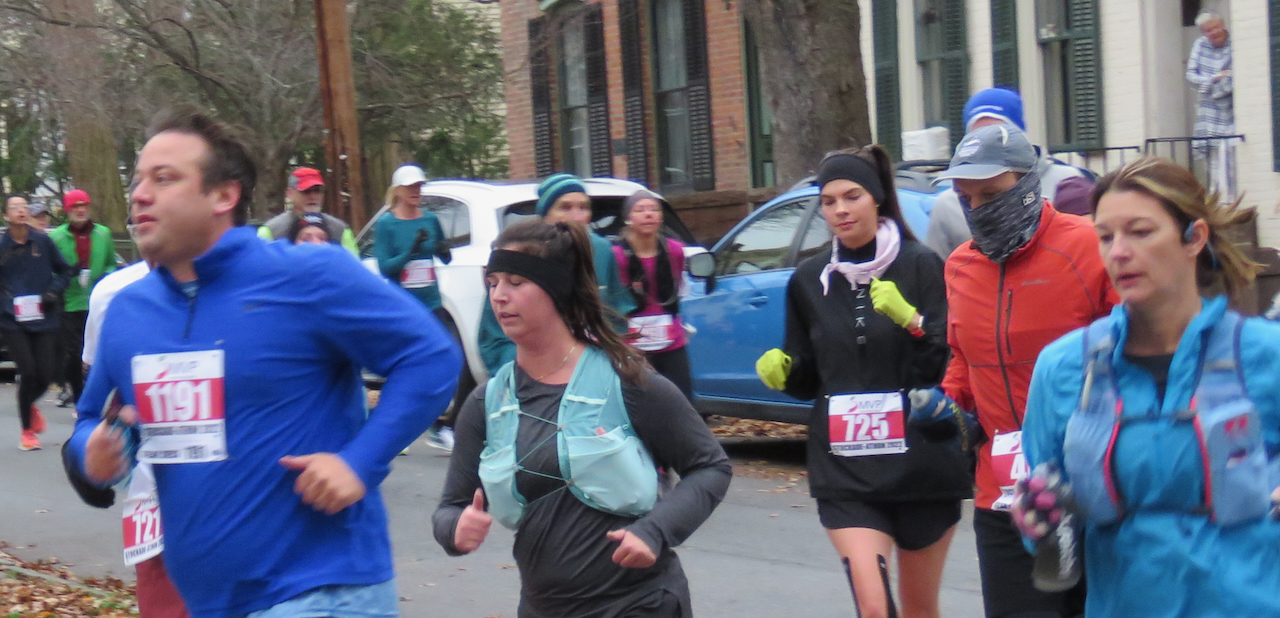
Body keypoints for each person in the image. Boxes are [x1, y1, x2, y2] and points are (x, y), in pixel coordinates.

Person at [67, 109, 462, 618]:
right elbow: (87, 420)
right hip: (210, 602)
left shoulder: (308, 275)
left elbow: (429, 357)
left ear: (223, 196)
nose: (140, 194)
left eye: (163, 179)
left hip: (323, 591)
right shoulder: (128, 313)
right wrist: (92, 454)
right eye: (138, 180)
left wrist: (360, 461)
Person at [1020, 157, 1280, 617]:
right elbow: (1046, 525)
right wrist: (1040, 520)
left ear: (1194, 238)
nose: (1119, 252)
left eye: (1140, 232)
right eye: (1105, 236)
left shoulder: (1266, 354)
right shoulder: (1063, 369)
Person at [433, 219, 730, 617]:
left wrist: (656, 530)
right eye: (493, 283)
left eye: (516, 282)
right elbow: (450, 507)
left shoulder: (627, 381)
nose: (499, 296)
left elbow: (710, 466)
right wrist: (454, 528)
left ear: (556, 289)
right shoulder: (487, 402)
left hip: (638, 604)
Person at [753, 147, 972, 618]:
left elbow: (946, 364)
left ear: (876, 198)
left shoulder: (922, 265)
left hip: (922, 465)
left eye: (852, 196)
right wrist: (785, 373)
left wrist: (913, 322)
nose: (840, 210)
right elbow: (808, 378)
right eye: (828, 201)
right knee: (874, 607)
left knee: (919, 609)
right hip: (846, 470)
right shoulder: (809, 280)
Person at [929, 123, 1115, 617]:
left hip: (1090, 487)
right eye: (965, 197)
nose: (977, 209)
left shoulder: (1088, 246)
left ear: (1029, 182)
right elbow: (964, 358)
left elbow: (1131, 352)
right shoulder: (959, 266)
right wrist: (947, 404)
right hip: (1006, 495)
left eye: (991, 194)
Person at [477, 173, 636, 376]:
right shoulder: (522, 255)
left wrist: (609, 356)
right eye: (565, 207)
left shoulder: (603, 251)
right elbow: (492, 339)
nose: (577, 216)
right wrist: (531, 371)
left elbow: (618, 315)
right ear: (545, 216)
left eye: (583, 207)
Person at [925, 88, 1091, 258]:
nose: (988, 142)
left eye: (1000, 133)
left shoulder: (1068, 181)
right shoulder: (947, 206)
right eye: (977, 134)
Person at [373, 163, 459, 452]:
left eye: (419, 186)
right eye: (410, 187)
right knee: (402, 368)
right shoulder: (387, 224)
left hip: (432, 303)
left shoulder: (431, 219)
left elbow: (444, 257)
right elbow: (386, 268)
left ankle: (438, 426)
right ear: (397, 190)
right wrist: (411, 250)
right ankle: (393, 431)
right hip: (403, 307)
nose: (416, 191)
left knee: (442, 362)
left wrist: (443, 249)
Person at [1, 193, 74, 450]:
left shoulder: (42, 241)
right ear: (6, 216)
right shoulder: (2, 246)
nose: (21, 211)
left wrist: (52, 292)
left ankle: (29, 403)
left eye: (24, 206)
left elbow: (65, 270)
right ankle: (27, 432)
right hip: (11, 319)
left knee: (45, 376)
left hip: (44, 316)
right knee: (28, 372)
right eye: (15, 207)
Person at [611, 190, 693, 401]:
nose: (648, 214)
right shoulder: (616, 256)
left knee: (681, 398)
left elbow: (679, 288)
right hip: (631, 343)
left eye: (654, 209)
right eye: (640, 210)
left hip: (671, 339)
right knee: (639, 401)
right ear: (628, 218)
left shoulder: (675, 250)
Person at [50, 188, 117, 408]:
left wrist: (105, 277)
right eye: (75, 207)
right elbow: (51, 270)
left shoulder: (103, 233)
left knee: (98, 351)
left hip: (96, 300)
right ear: (67, 210)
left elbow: (111, 263)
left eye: (84, 206)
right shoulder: (56, 237)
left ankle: (96, 395)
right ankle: (79, 398)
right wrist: (64, 278)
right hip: (69, 302)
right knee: (73, 354)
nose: (80, 211)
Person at [1186, 11, 1236, 200]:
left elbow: (1235, 78)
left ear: (1222, 25)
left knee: (1231, 165)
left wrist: (1209, 89)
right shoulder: (1200, 45)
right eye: (1208, 30)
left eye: (1215, 27)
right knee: (1213, 167)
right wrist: (1215, 78)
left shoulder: (1235, 43)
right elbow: (1191, 77)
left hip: (1230, 114)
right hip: (1207, 115)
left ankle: (1230, 203)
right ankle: (1219, 204)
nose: (1213, 33)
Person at [257, 166, 358, 254]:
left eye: (317, 191)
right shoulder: (271, 231)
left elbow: (354, 266)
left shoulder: (340, 230)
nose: (313, 197)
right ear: (289, 193)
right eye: (306, 191)